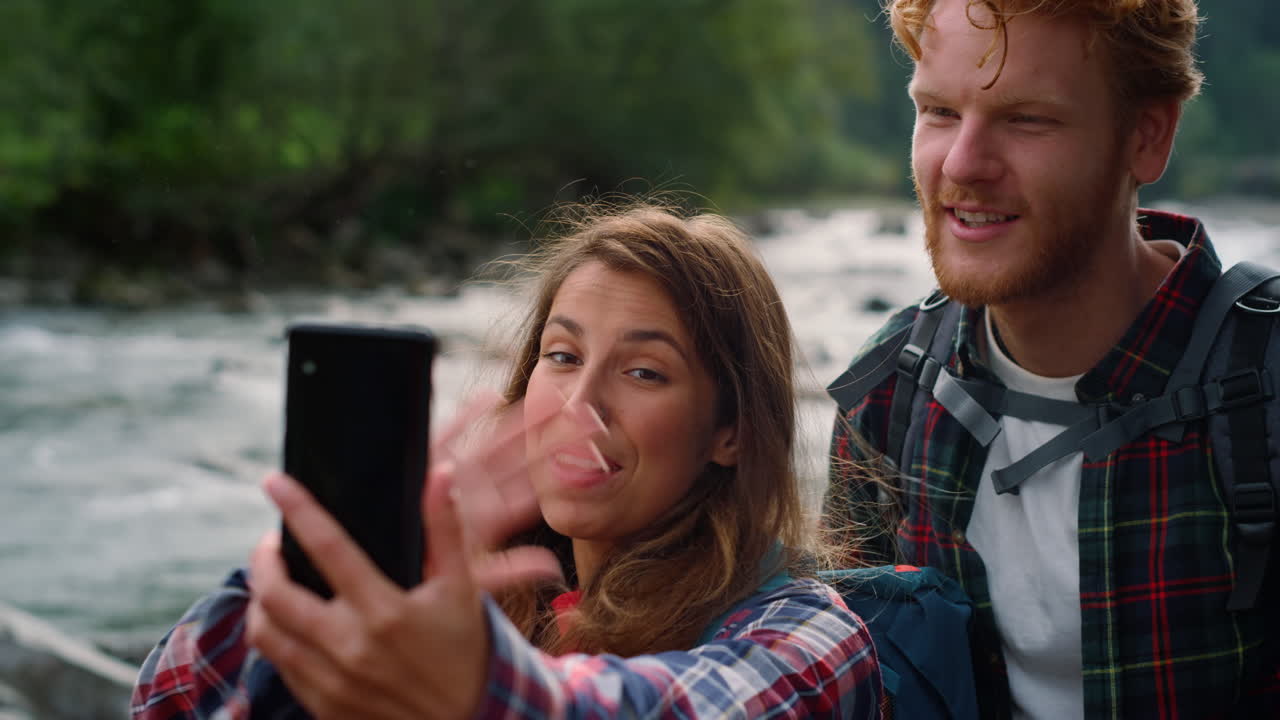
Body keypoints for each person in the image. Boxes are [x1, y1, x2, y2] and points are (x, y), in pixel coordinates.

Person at [131, 204, 884, 718]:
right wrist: (341, 565)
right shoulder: (456, 602)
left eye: (643, 372)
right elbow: (167, 696)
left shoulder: (810, 637)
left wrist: (466, 686)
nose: (577, 406)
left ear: (733, 432)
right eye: (561, 357)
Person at [824, 1, 1280, 718]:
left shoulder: (1263, 389)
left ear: (1147, 137)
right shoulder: (888, 394)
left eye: (1026, 119)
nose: (964, 163)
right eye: (939, 112)